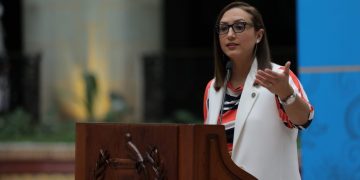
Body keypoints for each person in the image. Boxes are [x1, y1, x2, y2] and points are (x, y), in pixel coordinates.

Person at [203, 1, 314, 179]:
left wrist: (286, 94)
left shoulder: (278, 77)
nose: (230, 34)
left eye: (239, 26)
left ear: (259, 35)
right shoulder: (213, 88)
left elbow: (304, 120)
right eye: (223, 28)